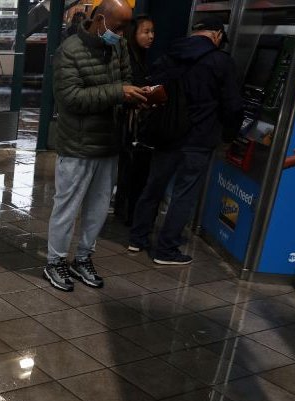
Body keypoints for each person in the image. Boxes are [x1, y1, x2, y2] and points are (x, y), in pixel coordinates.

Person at [43, 0, 146, 292]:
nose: (123, 34)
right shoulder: (69, 51)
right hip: (77, 145)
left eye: (126, 27)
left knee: (98, 209)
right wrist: (118, 92)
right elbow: (71, 98)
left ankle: (84, 257)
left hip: (109, 143)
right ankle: (55, 261)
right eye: (119, 27)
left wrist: (134, 96)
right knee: (67, 207)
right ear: (99, 20)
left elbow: (126, 79)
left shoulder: (117, 47)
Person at [128, 17, 243, 265]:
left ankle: (137, 238)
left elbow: (150, 89)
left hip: (166, 134)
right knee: (184, 194)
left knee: (154, 187)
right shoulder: (221, 61)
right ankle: (166, 250)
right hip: (199, 139)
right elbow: (233, 106)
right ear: (217, 35)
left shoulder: (170, 53)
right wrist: (229, 135)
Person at [114, 14, 154, 225]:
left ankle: (122, 207)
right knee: (129, 168)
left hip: (131, 122)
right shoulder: (127, 57)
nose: (151, 36)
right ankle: (125, 210)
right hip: (128, 123)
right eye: (145, 32)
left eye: (152, 32)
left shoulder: (141, 56)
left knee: (127, 169)